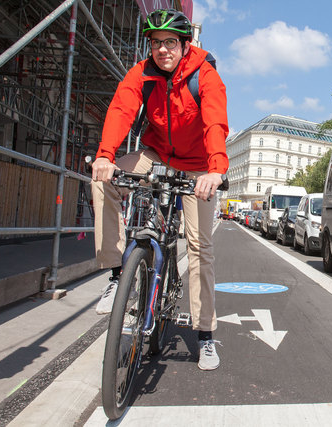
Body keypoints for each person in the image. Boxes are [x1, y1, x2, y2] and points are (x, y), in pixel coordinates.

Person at [91, 8, 228, 371]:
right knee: (103, 179)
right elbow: (121, 109)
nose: (163, 49)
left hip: (197, 163)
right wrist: (105, 155)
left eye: (170, 42)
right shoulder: (143, 72)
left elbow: (215, 122)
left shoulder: (206, 76)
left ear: (185, 44)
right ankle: (118, 272)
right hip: (156, 153)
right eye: (156, 43)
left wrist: (215, 169)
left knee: (200, 248)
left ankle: (205, 334)